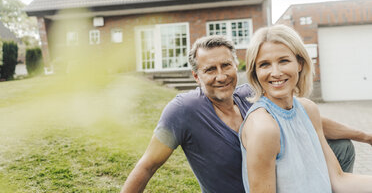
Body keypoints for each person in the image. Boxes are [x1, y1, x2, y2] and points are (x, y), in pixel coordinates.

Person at [121, 35, 372, 193]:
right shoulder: (183, 111)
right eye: (210, 70)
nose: (221, 76)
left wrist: (364, 135)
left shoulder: (246, 94)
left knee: (342, 147)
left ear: (237, 66)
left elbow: (305, 118)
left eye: (226, 65)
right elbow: (146, 166)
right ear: (196, 76)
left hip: (277, 178)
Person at [240, 25, 372, 193]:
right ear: (255, 72)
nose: (275, 72)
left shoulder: (308, 109)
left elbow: (339, 180)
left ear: (300, 64)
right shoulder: (263, 127)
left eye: (284, 61)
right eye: (264, 64)